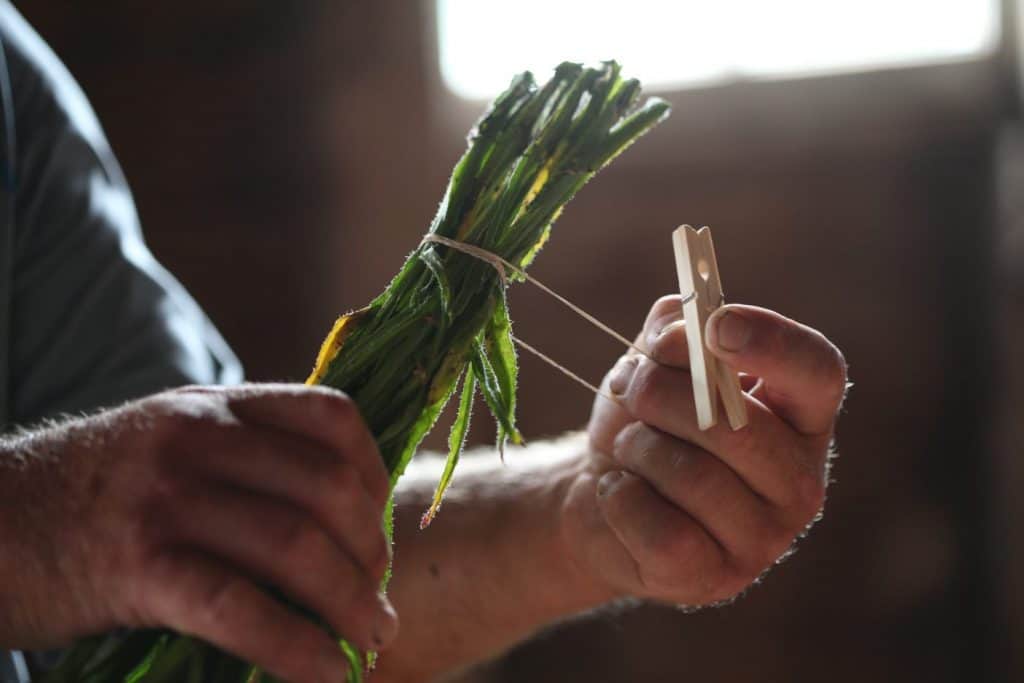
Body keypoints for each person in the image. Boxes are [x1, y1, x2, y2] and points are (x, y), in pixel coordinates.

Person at [0, 4, 847, 683]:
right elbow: (86, 530)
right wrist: (37, 527)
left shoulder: (13, 94)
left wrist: (583, 511)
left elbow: (249, 573)